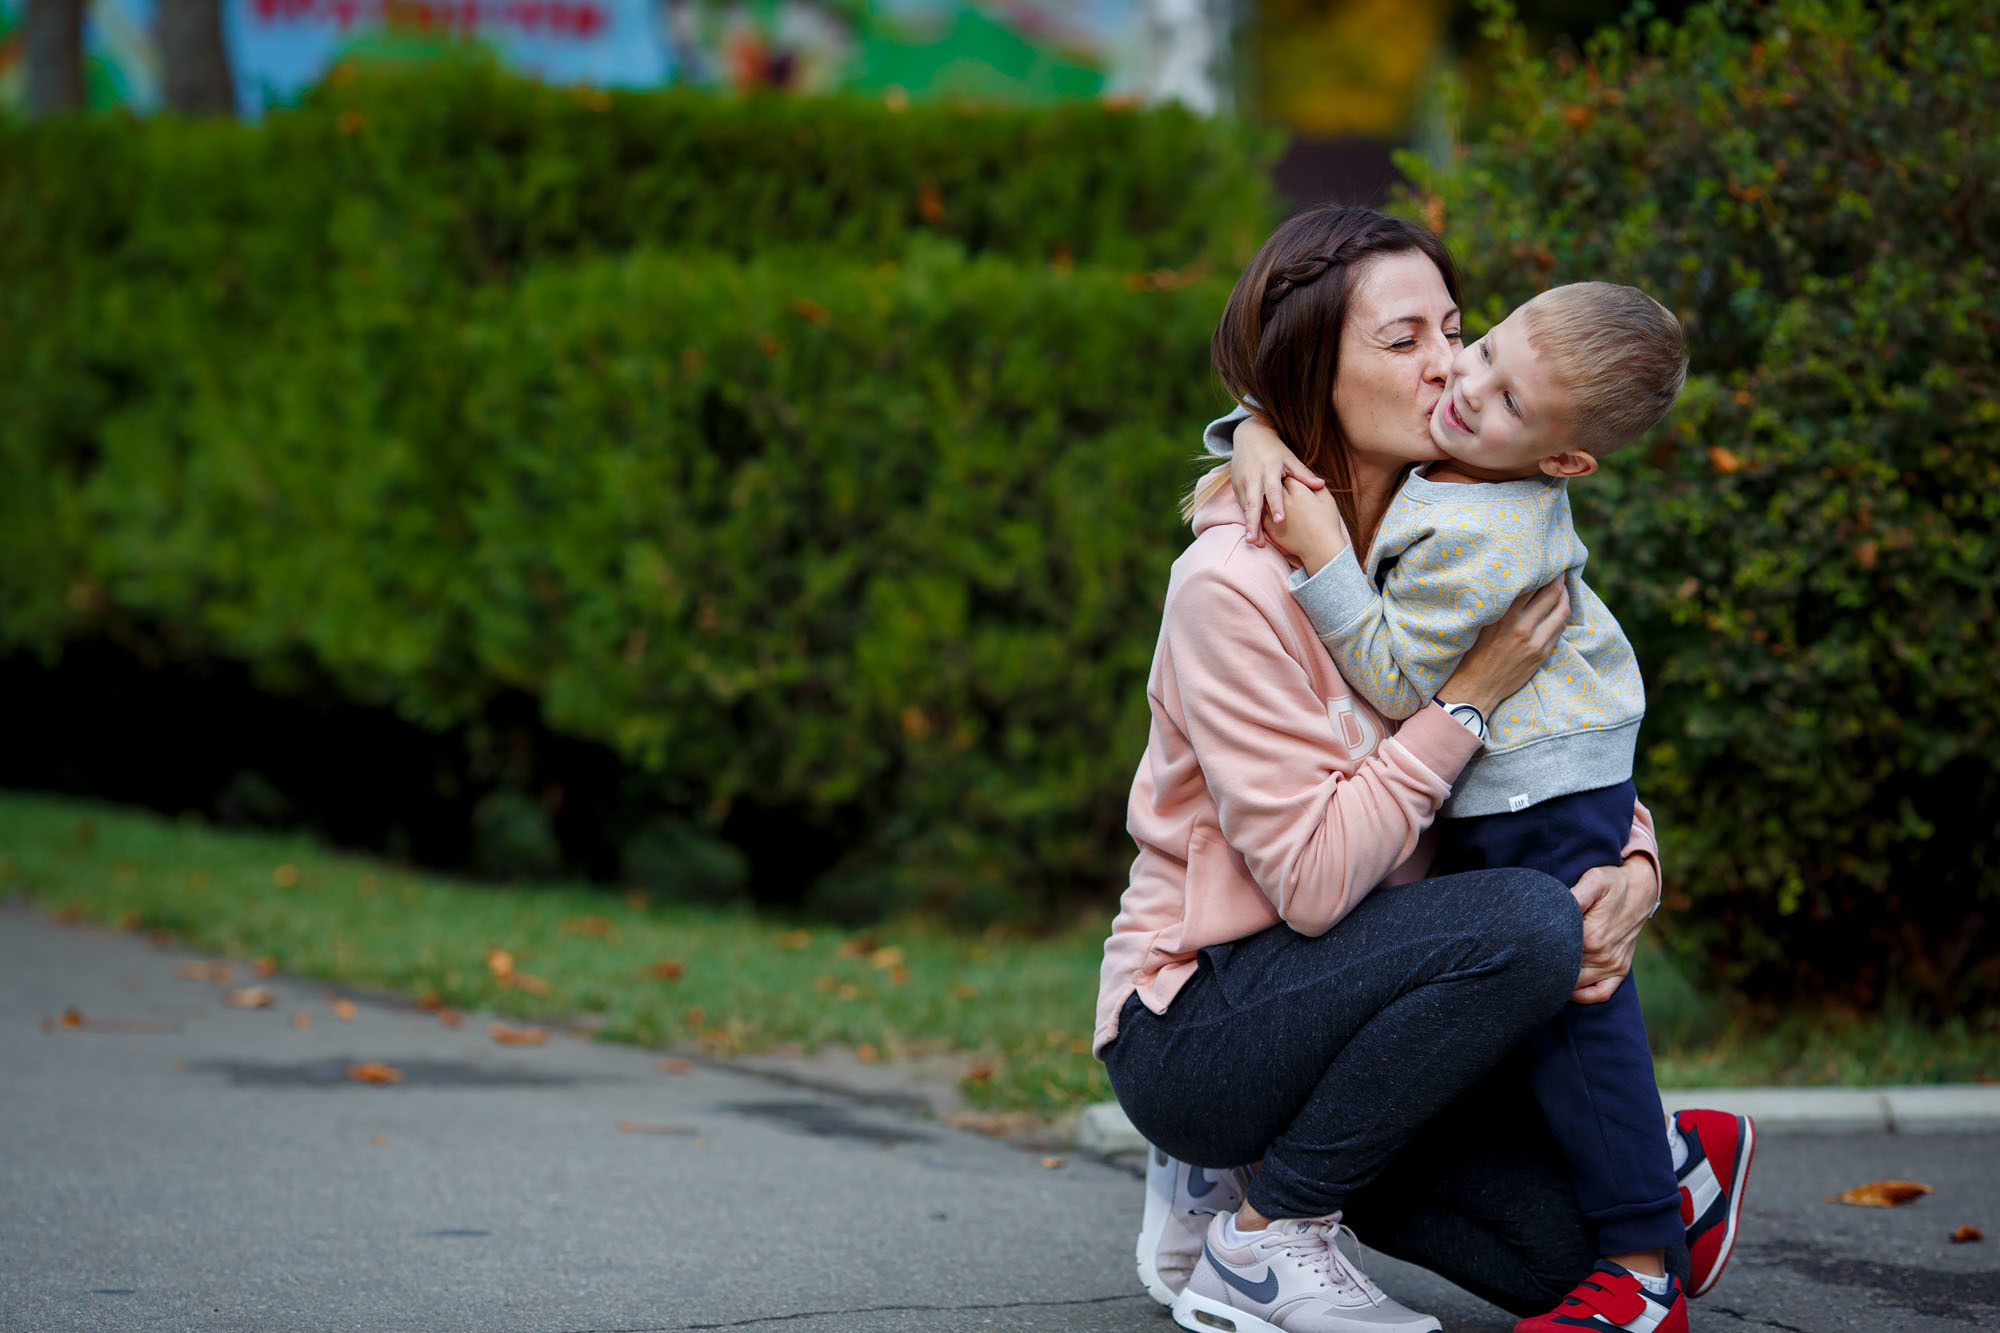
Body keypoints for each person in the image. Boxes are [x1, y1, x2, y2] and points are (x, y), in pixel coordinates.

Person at [1094, 206, 1745, 1333]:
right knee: (1530, 926)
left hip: (1385, 1000)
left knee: (1569, 1253)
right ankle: (1267, 1232)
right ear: (1317, 373)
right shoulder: (1232, 584)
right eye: (1404, 343)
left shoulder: (1471, 519)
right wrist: (1464, 699)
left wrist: (1635, 860)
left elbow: (1563, 733)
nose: (1448, 362)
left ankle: (1662, 1163)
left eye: (1454, 326)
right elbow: (1305, 884)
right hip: (1204, 1019)